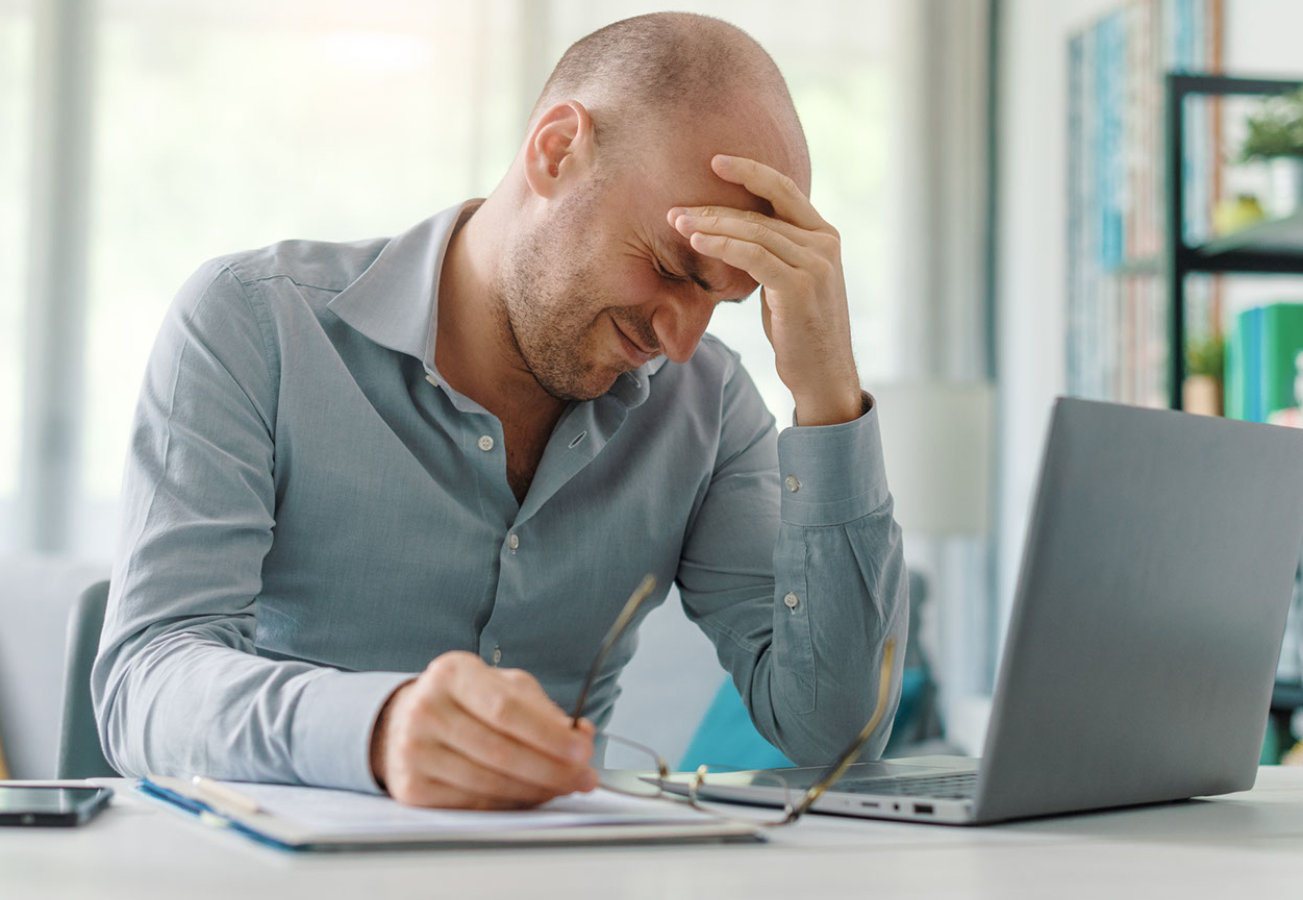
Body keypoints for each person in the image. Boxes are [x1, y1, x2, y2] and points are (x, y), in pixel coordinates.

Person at [92, 11, 909, 811]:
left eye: (722, 301)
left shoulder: (709, 403)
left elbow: (831, 732)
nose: (683, 341)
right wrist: (375, 730)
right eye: (670, 266)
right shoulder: (256, 323)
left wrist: (828, 398)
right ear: (557, 152)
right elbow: (148, 681)